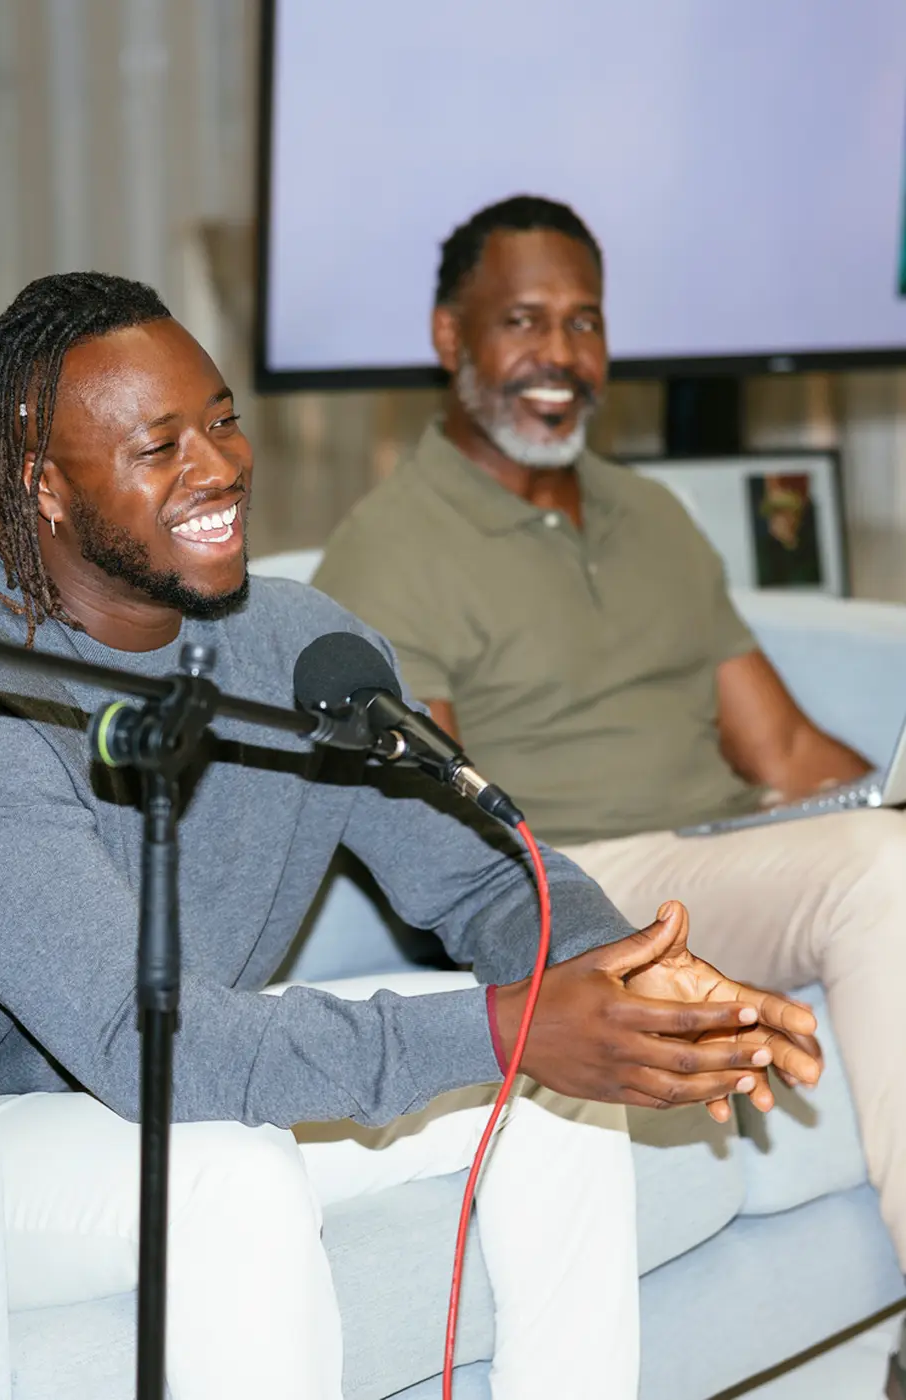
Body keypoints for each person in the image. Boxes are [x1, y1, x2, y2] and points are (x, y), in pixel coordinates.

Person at [0, 273, 819, 1400]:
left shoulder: (298, 649)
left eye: (224, 420)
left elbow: (487, 885)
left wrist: (622, 978)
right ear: (43, 485)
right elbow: (153, 1049)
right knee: (229, 1164)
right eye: (160, 446)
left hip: (146, 1074)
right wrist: (503, 1025)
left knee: (557, 1094)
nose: (221, 466)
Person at [312, 194, 906, 1389]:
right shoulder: (386, 547)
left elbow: (785, 752)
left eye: (581, 322)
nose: (560, 356)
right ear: (448, 338)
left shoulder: (654, 517)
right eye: (521, 321)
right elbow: (444, 831)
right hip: (581, 878)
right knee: (877, 873)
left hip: (727, 850)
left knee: (879, 845)